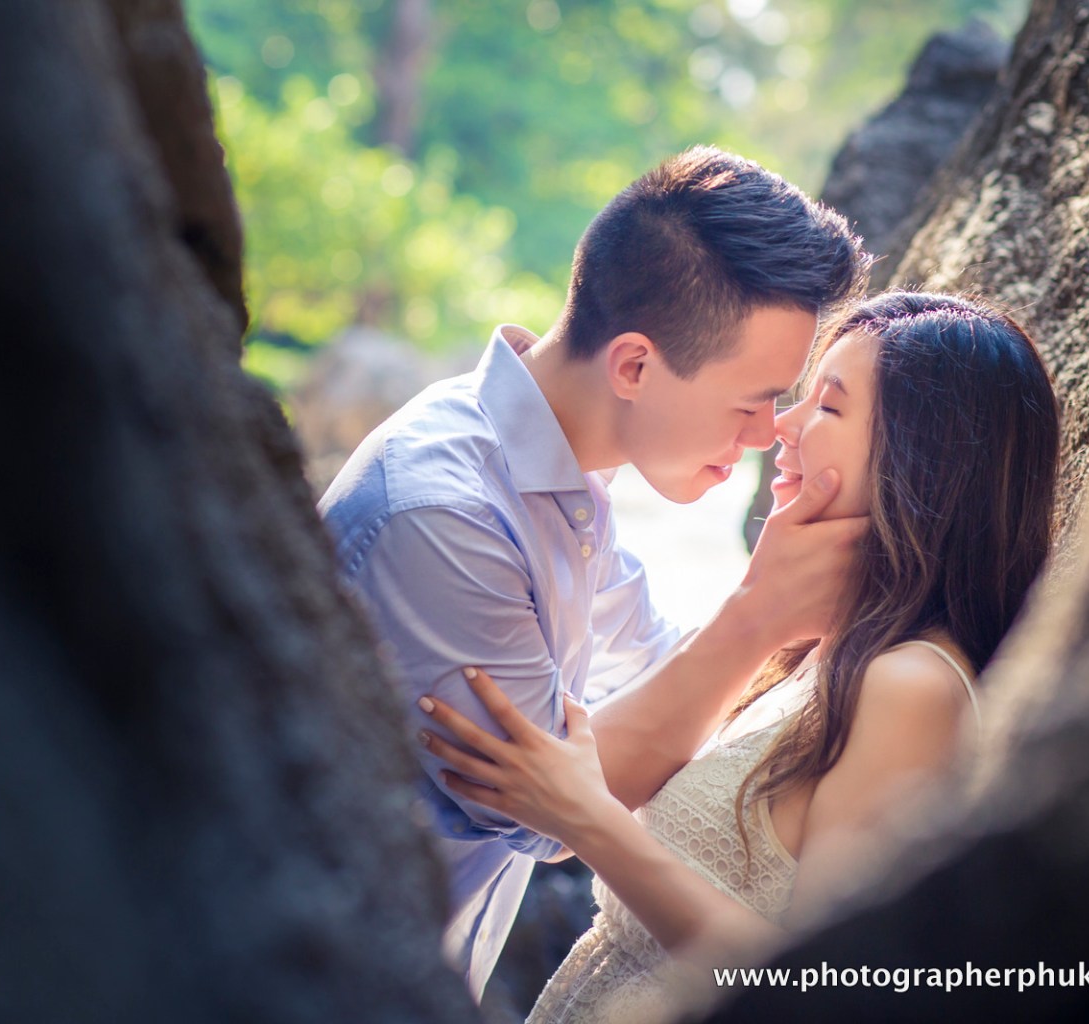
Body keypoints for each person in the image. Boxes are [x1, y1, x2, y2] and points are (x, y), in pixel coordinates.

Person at [318, 146, 870, 999]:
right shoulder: (443, 514)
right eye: (751, 400)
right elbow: (535, 803)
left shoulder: (566, 480)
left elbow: (652, 667)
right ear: (636, 366)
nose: (768, 434)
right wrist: (758, 615)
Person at [418, 292, 1062, 1022]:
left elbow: (830, 992)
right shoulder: (822, 651)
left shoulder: (910, 687)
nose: (781, 427)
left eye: (829, 405)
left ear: (923, 458)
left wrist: (588, 820)